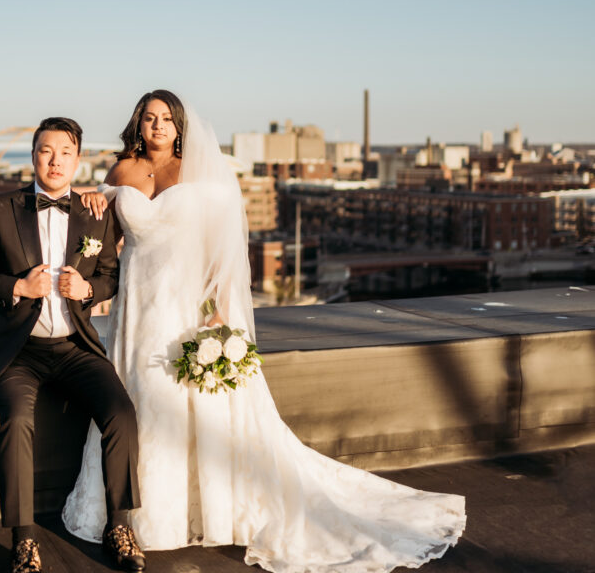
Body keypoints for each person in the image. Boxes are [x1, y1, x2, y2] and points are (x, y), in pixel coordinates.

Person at [63, 91, 466, 573]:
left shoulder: (199, 172)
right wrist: (92, 196)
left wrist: (217, 312)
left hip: (186, 305)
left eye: (166, 119)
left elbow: (221, 250)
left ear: (179, 126)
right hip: (137, 309)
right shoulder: (120, 172)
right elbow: (102, 233)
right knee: (139, 401)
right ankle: (138, 514)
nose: (157, 126)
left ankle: (200, 505)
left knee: (185, 403)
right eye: (149, 118)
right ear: (138, 123)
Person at [0, 117, 146, 573]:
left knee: (121, 413)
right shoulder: (2, 207)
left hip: (75, 348)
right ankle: (24, 539)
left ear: (77, 159)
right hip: (18, 353)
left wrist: (87, 291)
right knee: (17, 422)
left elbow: (110, 276)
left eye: (65, 152)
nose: (56, 160)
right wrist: (19, 287)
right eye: (46, 150)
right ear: (33, 157)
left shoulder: (94, 212)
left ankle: (119, 525)